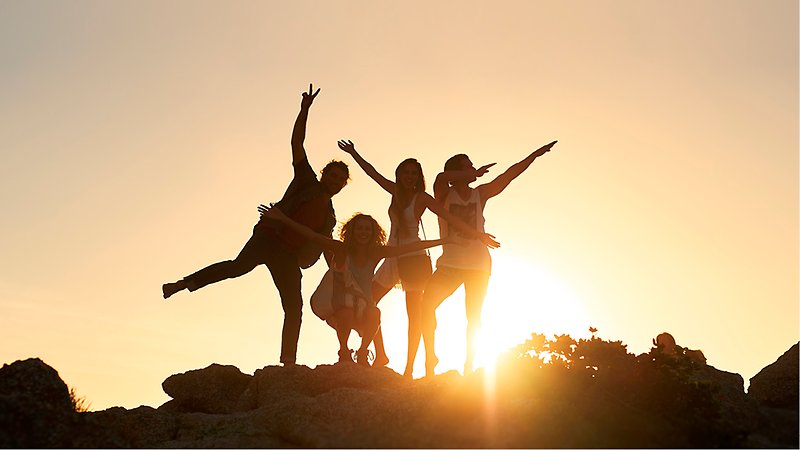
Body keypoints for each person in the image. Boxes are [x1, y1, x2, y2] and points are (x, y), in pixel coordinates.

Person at [161, 84, 349, 366]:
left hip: (288, 256)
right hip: (268, 239)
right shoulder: (306, 181)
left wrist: (337, 271)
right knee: (238, 267)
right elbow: (297, 144)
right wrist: (304, 111)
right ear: (324, 175)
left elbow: (322, 245)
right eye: (331, 176)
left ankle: (288, 362)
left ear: (342, 186)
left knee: (294, 308)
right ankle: (185, 283)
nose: (333, 182)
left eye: (339, 181)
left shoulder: (329, 215)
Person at [337, 140, 500, 377]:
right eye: (406, 172)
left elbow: (447, 215)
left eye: (414, 173)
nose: (410, 176)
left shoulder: (422, 198)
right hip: (393, 256)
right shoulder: (394, 191)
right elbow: (372, 173)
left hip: (413, 259)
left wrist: (477, 234)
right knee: (365, 303)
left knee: (416, 317)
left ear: (419, 176)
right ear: (400, 174)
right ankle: (377, 353)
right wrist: (354, 153)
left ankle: (412, 367)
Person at [421, 140, 557, 377]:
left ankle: (469, 366)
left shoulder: (479, 194)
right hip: (450, 264)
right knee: (426, 306)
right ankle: (430, 358)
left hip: (478, 266)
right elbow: (441, 177)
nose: (473, 168)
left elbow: (509, 175)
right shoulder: (444, 193)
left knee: (473, 316)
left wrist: (534, 154)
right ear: (458, 172)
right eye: (468, 166)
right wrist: (470, 173)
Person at [260, 205, 450, 366]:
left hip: (362, 305)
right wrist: (282, 218)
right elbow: (311, 235)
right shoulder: (341, 249)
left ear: (373, 232)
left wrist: (442, 241)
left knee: (375, 313)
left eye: (367, 229)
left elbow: (407, 248)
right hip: (335, 304)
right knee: (347, 311)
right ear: (351, 231)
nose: (363, 233)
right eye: (359, 229)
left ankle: (362, 352)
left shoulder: (376, 252)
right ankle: (343, 351)